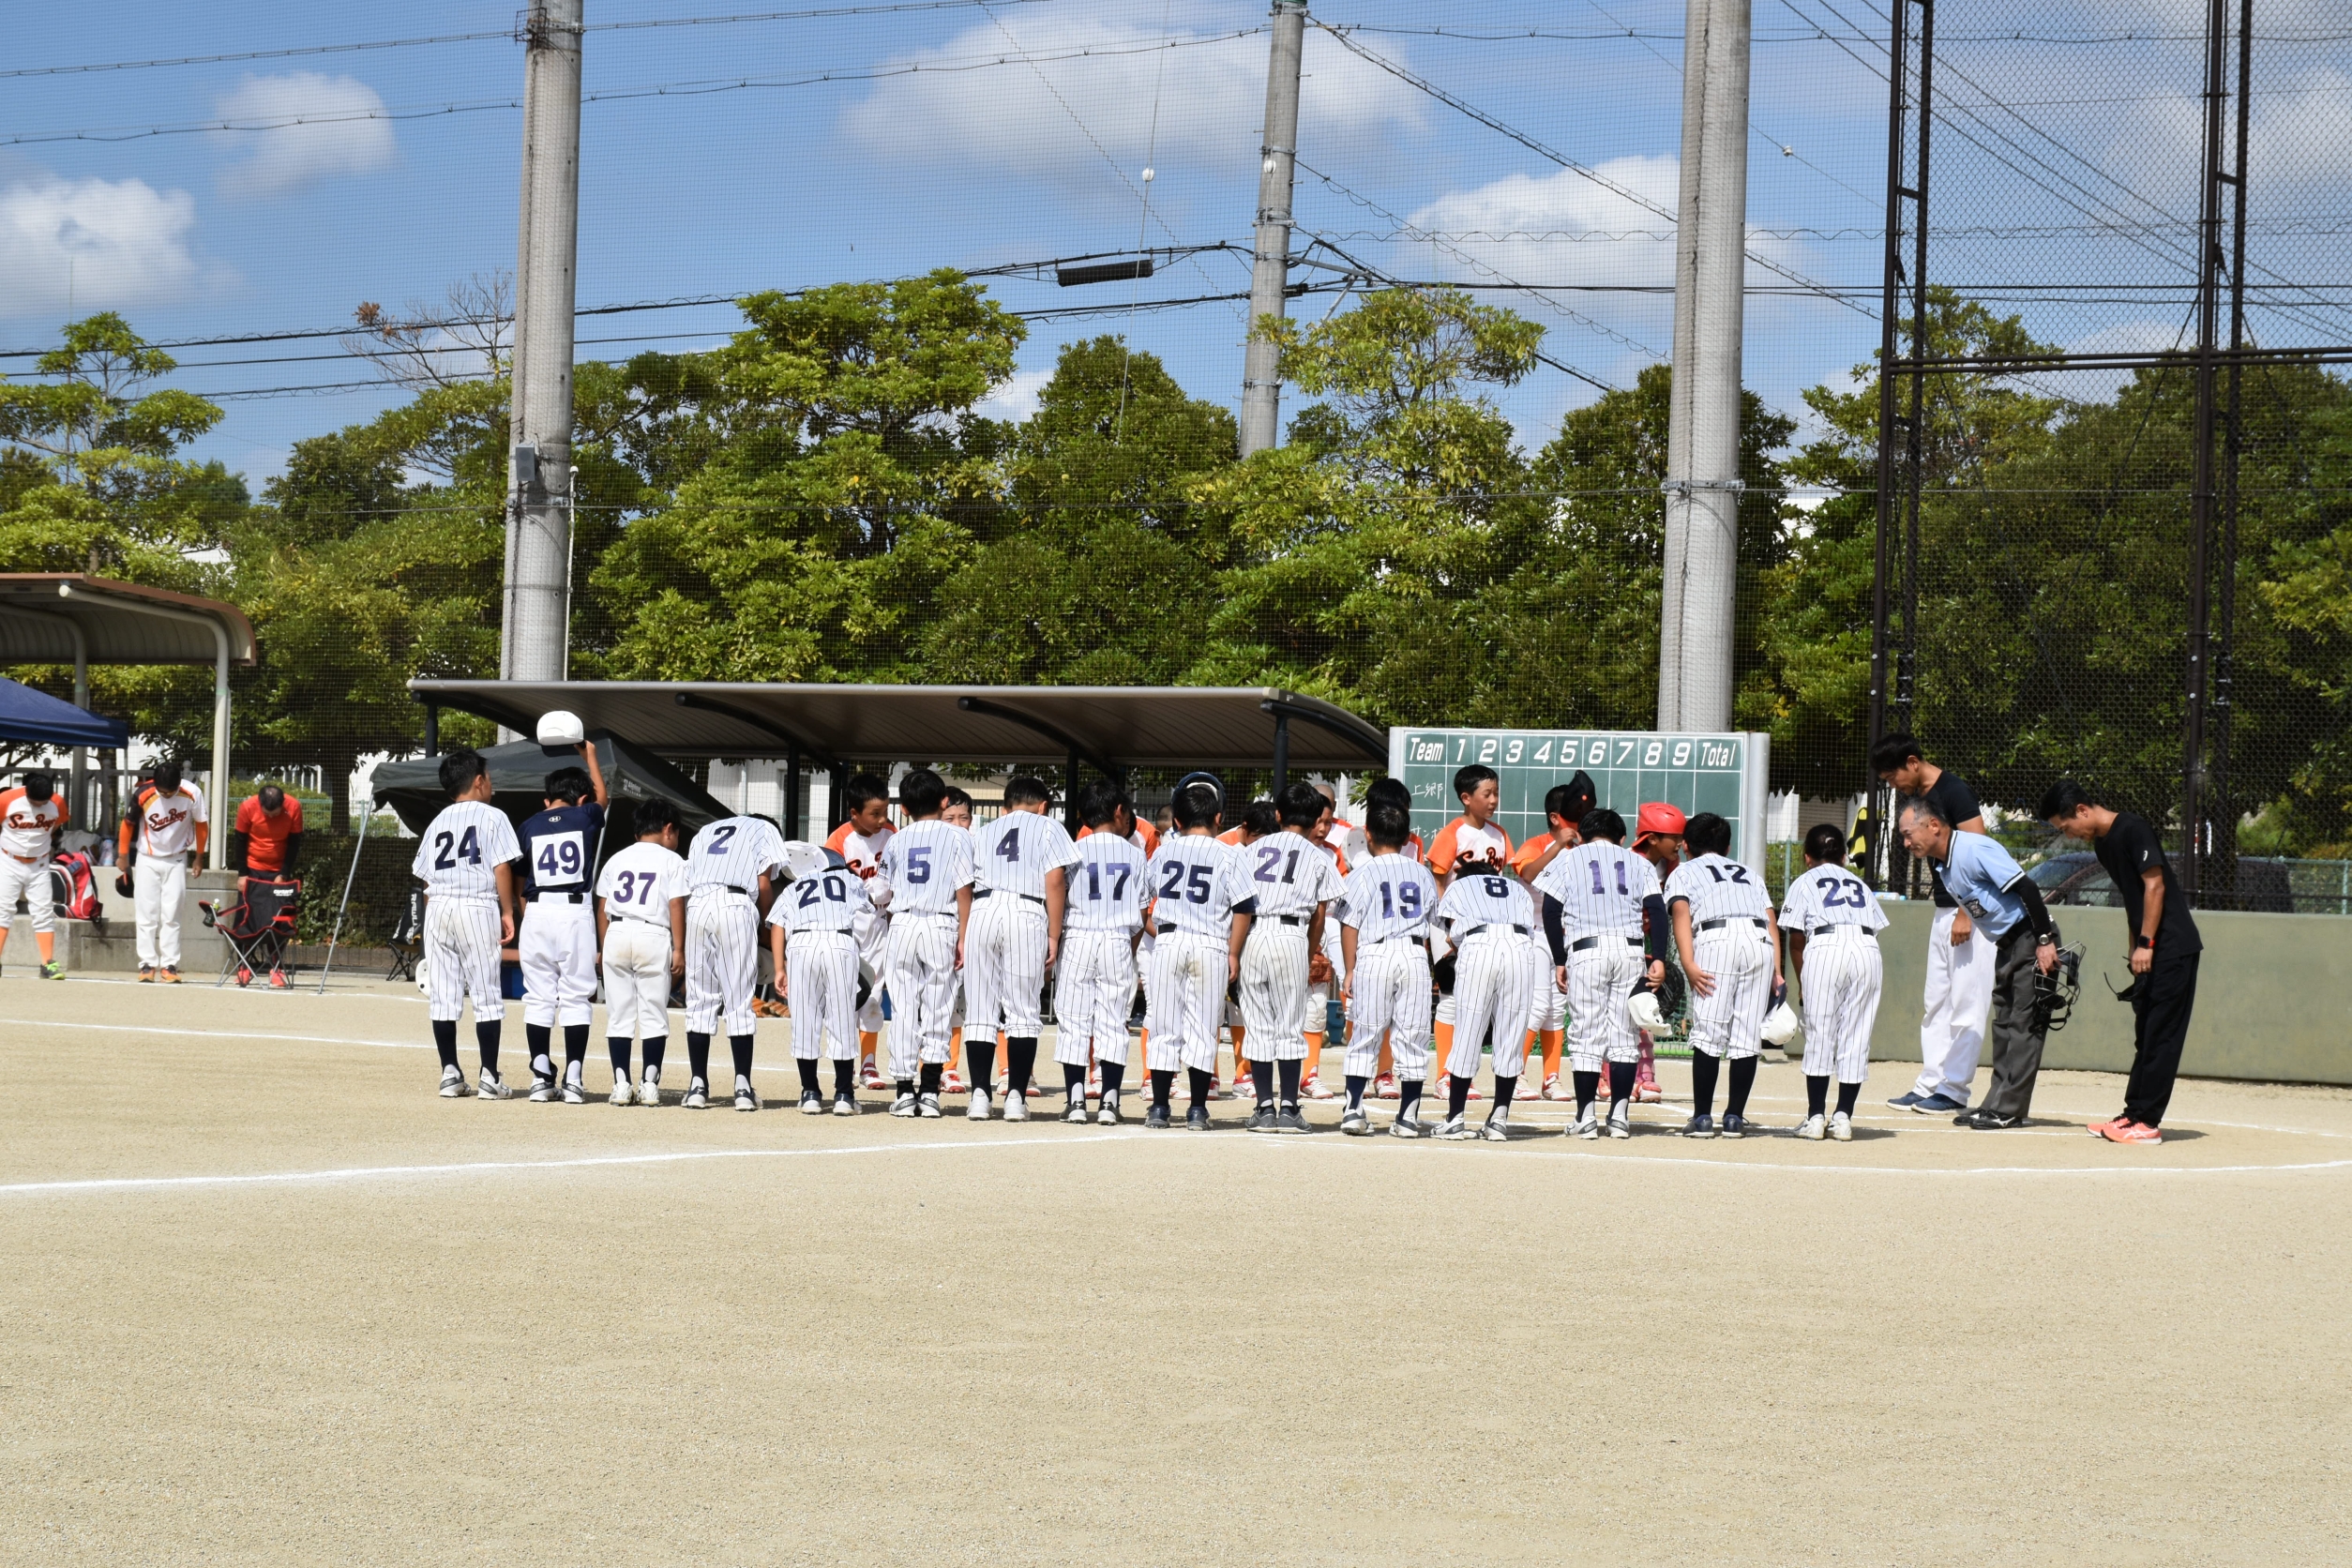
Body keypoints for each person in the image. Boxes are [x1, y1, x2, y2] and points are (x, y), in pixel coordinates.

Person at [2039, 780, 2202, 1145]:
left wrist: (2147, 943)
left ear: (2082, 809)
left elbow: (2154, 887)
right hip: (2148, 949)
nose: (2069, 836)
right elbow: (2133, 899)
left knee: (2162, 1035)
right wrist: (2135, 951)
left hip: (2173, 946)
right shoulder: (2102, 844)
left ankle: (2148, 1122)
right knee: (2145, 1034)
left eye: (2066, 827)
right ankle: (2132, 1115)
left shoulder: (2133, 828)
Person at [1896, 795, 2061, 1128]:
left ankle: (2011, 1109)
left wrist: (2044, 940)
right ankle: (1995, 1103)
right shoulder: (1944, 865)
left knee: (2024, 1025)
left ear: (1934, 825)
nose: (1906, 842)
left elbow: (2027, 888)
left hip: (2031, 935)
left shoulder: (1974, 850)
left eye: (1909, 833)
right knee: (2003, 1024)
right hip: (2007, 943)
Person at [1873, 733, 1996, 1115]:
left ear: (1913, 762)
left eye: (1892, 777)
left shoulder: (1954, 790)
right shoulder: (1916, 799)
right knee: (1936, 1002)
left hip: (1970, 913)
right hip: (1943, 910)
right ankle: (1931, 1083)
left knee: (1966, 1002)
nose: (1891, 785)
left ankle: (1954, 1090)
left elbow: (1980, 848)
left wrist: (1966, 911)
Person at [1534, 809, 1666, 1139]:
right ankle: (1619, 1116)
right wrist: (1660, 957)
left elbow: (1550, 910)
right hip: (1630, 950)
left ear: (1585, 833)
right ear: (1621, 838)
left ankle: (1586, 1117)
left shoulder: (1568, 858)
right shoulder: (1638, 862)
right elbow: (1657, 911)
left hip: (1586, 950)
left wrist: (1559, 958)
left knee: (1586, 1035)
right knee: (1624, 1036)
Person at [963, 776, 1078, 1122]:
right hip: (1025, 910)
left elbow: (966, 882)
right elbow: (1055, 880)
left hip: (982, 910)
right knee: (1023, 1010)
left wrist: (964, 929)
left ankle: (980, 1096)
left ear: (1005, 806)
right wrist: (1054, 934)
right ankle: (1015, 1096)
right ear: (1044, 806)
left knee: (980, 1009)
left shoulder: (982, 831)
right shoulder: (1048, 826)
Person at [1142, 778, 1255, 1131]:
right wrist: (1233, 953)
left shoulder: (1164, 850)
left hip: (1170, 940)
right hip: (1211, 944)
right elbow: (1244, 906)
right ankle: (1196, 1110)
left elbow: (1143, 900)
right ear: (1218, 817)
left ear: (1176, 820)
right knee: (1204, 1027)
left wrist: (1159, 933)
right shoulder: (1228, 852)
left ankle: (1160, 1107)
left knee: (1163, 1024)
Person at [1234, 781, 1345, 1134]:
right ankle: (1289, 1109)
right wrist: (1310, 951)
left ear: (1277, 814)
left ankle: (1264, 1108)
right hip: (1293, 934)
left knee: (1259, 1024)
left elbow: (1238, 903)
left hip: (1254, 932)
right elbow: (1319, 913)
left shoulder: (1251, 849)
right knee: (1290, 1025)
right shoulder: (1319, 855)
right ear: (1316, 819)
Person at [1666, 811, 1783, 1138]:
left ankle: (1702, 1117)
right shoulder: (1748, 873)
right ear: (1727, 846)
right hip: (1759, 942)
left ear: (1686, 844)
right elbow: (1769, 919)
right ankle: (1734, 1118)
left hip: (1717, 940)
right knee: (1746, 1035)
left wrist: (1688, 964)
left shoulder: (1685, 870)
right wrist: (1776, 971)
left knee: (1708, 1031)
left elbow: (1680, 912)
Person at [413, 749, 521, 1097]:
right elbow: (502, 866)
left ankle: (449, 1073)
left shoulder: (437, 821)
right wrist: (508, 910)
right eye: (488, 778)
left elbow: (425, 880)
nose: (491, 784)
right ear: (478, 781)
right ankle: (489, 1075)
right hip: (477, 904)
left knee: (443, 994)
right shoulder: (493, 816)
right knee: (486, 992)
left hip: (439, 906)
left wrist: (432, 919)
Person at [1777, 824, 1888, 1142]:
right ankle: (1843, 1118)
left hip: (1825, 945)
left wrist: (1803, 983)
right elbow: (1874, 928)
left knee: (1820, 1032)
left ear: (1807, 857)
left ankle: (1815, 1118)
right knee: (1856, 1032)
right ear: (1842, 856)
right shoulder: (1860, 883)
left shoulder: (1803, 881)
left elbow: (1796, 941)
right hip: (1867, 949)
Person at [875, 768, 974, 1118]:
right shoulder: (958, 836)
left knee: (903, 1007)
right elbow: (965, 889)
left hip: (902, 923)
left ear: (903, 808)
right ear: (944, 801)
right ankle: (930, 1090)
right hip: (942, 923)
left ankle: (903, 1092)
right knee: (939, 1006)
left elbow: (881, 891)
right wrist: (964, 934)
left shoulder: (896, 839)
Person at [1336, 802, 1440, 1137]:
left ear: (1368, 834)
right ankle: (1408, 1116)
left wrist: (1349, 969)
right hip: (1413, 953)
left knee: (1366, 1031)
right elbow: (1434, 921)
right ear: (1408, 837)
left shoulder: (1362, 872)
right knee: (1413, 1035)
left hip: (1375, 953)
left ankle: (1353, 1110)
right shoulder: (1421, 871)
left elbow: (1349, 924)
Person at [516, 752, 609, 1103]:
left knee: (538, 996)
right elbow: (603, 798)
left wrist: (528, 913)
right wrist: (592, 756)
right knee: (576, 996)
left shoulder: (527, 825)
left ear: (547, 798)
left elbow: (519, 874)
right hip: (573, 913)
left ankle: (541, 1078)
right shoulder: (585, 813)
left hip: (537, 911)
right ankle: (574, 1077)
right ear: (581, 798)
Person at [681, 808, 787, 1111]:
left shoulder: (705, 831)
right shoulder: (764, 828)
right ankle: (742, 1087)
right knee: (739, 999)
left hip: (698, 906)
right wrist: (767, 926)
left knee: (700, 999)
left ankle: (698, 1085)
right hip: (736, 904)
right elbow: (764, 884)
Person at [1057, 781, 1151, 1123]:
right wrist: (1129, 947)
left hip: (1078, 936)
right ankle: (1110, 1101)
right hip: (1117, 939)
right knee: (1114, 1022)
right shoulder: (1136, 854)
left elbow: (1058, 893)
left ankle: (1076, 1100)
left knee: (1073, 1019)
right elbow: (1143, 912)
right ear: (1119, 812)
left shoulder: (1073, 849)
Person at [1429, 859, 1539, 1142]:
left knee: (1467, 1032)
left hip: (1479, 946)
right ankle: (1499, 1119)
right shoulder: (1516, 888)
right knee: (1511, 1033)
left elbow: (1451, 930)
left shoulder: (1462, 883)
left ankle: (1455, 1119)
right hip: (1521, 949)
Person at [1508, 775, 1597, 1101]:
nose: (1578, 826)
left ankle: (1551, 1077)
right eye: (1572, 820)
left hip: (1567, 934)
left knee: (1557, 1009)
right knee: (1537, 1004)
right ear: (1555, 819)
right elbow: (1528, 874)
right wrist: (1559, 843)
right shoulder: (1536, 844)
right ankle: (1514, 1072)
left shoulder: (1586, 848)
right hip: (1534, 932)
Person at [594, 798, 687, 1107]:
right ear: (668, 829)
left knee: (619, 1014)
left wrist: (604, 945)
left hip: (617, 931)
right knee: (653, 1014)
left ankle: (621, 1085)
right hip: (653, 933)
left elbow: (603, 906)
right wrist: (679, 949)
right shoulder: (673, 861)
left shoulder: (617, 858)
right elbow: (676, 905)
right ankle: (649, 1085)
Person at [767, 840, 867, 1117]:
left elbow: (777, 925)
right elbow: (867, 909)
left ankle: (810, 1092)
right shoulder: (848, 879)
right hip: (839, 942)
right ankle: (844, 1094)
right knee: (842, 1019)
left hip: (802, 944)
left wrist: (779, 968)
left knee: (804, 1019)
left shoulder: (793, 888)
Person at [824, 773, 896, 1091]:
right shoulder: (838, 840)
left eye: (885, 811)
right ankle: (847, 1062)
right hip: (850, 930)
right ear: (854, 813)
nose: (882, 819)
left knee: (874, 997)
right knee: (847, 997)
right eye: (874, 814)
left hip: (881, 926)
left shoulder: (891, 834)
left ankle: (869, 1064)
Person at [119, 760, 208, 985]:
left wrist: (199, 857)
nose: (166, 795)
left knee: (172, 914)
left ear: (180, 783)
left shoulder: (192, 792)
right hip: (147, 858)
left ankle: (169, 965)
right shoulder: (144, 792)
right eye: (162, 792)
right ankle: (147, 964)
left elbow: (201, 824)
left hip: (177, 858)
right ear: (155, 783)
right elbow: (128, 823)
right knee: (146, 914)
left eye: (170, 792)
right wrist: (122, 856)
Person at [1627, 801, 1687, 1102]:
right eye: (1673, 836)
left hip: (1644, 944)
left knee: (1645, 1009)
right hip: (1617, 942)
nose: (1679, 842)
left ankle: (1646, 1073)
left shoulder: (1672, 866)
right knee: (1616, 1015)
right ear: (1651, 838)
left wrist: (1658, 957)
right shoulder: (1628, 861)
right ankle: (1608, 1074)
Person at [0, 770, 68, 980]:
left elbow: (57, 826)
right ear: (26, 792)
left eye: (43, 801)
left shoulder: (57, 803)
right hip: (9, 860)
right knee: (3, 910)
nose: (40, 805)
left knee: (43, 912)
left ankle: (47, 963)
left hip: (39, 863)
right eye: (35, 801)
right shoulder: (7, 799)